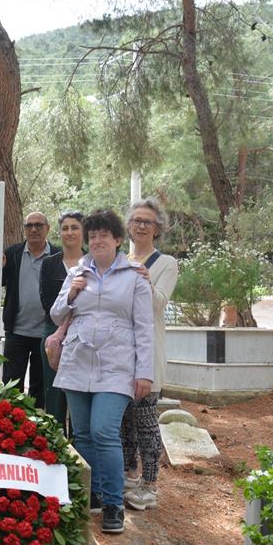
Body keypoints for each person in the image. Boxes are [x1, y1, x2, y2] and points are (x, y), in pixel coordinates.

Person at [50, 208, 154, 534]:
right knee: (81, 433)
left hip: (117, 365)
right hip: (77, 362)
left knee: (103, 431)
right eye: (91, 236)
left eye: (103, 236)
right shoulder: (77, 272)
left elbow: (145, 328)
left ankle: (113, 504)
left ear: (117, 240)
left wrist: (144, 373)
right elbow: (55, 315)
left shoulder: (135, 276)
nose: (96, 241)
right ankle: (89, 494)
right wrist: (71, 293)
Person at [121, 198, 179, 511]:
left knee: (145, 421)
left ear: (157, 229)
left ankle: (151, 483)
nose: (141, 226)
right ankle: (129, 474)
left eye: (148, 222)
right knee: (124, 421)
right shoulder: (119, 259)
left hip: (148, 354)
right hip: (120, 354)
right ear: (128, 226)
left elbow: (158, 305)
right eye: (136, 220)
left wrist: (143, 278)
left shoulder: (165, 263)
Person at [2, 212, 61, 406]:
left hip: (46, 333)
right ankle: (10, 427)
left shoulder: (58, 255)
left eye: (38, 225)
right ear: (24, 229)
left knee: (40, 388)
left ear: (48, 228)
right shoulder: (13, 254)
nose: (33, 229)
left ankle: (34, 432)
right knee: (11, 386)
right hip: (16, 332)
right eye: (29, 226)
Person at [38, 211, 84, 427]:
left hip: (84, 336)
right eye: (65, 228)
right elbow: (47, 304)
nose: (70, 232)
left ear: (84, 231)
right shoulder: (49, 264)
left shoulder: (93, 262)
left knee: (80, 398)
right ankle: (57, 447)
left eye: (75, 227)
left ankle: (79, 450)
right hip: (53, 336)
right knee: (54, 397)